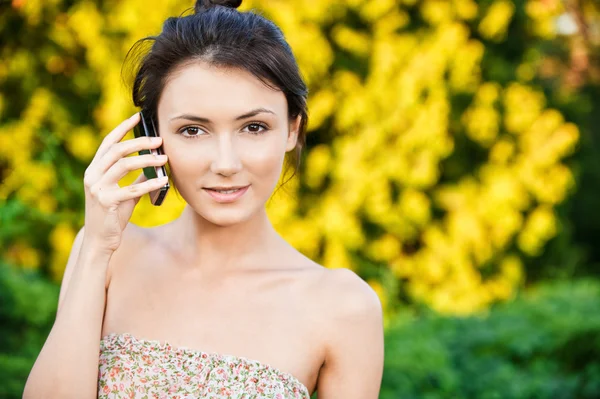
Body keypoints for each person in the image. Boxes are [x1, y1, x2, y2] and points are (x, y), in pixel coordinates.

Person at [23, 0, 384, 397]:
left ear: (292, 130)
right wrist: (95, 248)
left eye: (254, 126)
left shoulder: (342, 306)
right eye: (194, 131)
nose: (225, 163)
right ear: (152, 134)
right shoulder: (109, 256)